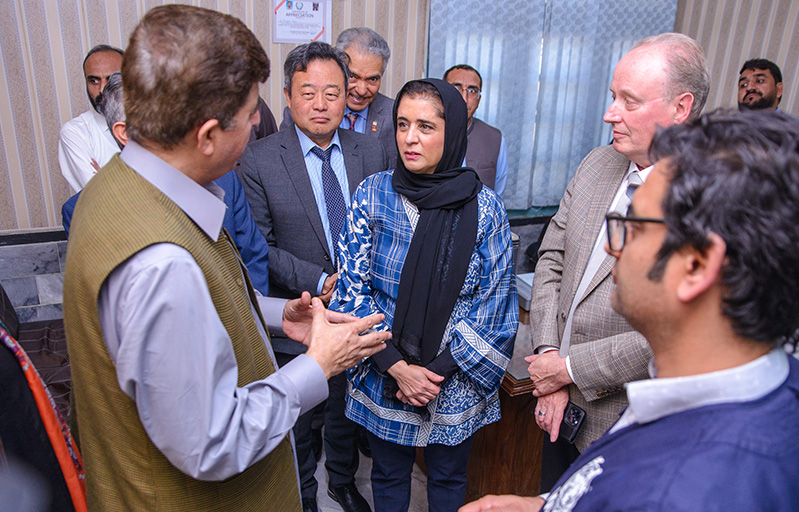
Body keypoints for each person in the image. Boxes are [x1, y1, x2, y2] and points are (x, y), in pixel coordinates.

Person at [62, 6, 390, 511]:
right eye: (252, 110)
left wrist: (278, 314)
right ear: (209, 133)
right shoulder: (159, 261)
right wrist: (317, 366)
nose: (260, 122)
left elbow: (204, 302)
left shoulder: (119, 186)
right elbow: (212, 441)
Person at [461, 109, 799, 512]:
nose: (611, 247)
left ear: (695, 265)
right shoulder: (771, 387)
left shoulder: (677, 493)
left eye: (634, 228)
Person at [525, 33, 709, 489]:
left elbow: (678, 330)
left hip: (624, 424)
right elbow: (551, 259)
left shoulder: (707, 198)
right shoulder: (596, 164)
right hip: (556, 407)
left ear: (680, 109)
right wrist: (549, 357)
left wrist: (568, 371)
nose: (610, 113)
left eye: (629, 101)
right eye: (612, 97)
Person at [331, 78, 518, 512]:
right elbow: (351, 290)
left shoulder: (485, 207)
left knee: (449, 478)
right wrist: (398, 368)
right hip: (384, 369)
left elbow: (496, 303)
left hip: (453, 378)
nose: (409, 138)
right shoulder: (373, 194)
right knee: (389, 475)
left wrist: (432, 374)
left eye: (426, 127)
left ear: (451, 132)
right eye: (402, 124)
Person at [239, 41, 389, 512]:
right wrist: (321, 277)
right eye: (308, 93)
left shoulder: (371, 150)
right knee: (300, 422)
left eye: (332, 92)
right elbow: (259, 246)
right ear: (287, 95)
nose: (321, 104)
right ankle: (304, 495)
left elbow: (388, 227)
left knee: (348, 414)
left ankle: (341, 483)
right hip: (299, 314)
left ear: (348, 96)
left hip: (360, 315)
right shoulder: (259, 159)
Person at [62, 72, 273, 295]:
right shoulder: (84, 209)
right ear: (124, 133)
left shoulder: (224, 180)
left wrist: (257, 321)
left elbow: (252, 256)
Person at [281, 27, 398, 168]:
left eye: (372, 79)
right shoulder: (301, 112)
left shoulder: (394, 115)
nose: (361, 90)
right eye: (352, 76)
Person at [58, 44, 124, 192]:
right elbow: (101, 195)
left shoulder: (155, 123)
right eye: (94, 81)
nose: (102, 89)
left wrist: (108, 177)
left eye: (111, 79)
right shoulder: (75, 132)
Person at [443, 64, 508, 197]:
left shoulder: (495, 139)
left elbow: (498, 192)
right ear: (442, 93)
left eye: (472, 91)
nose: (464, 98)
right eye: (457, 88)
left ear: (479, 99)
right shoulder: (425, 135)